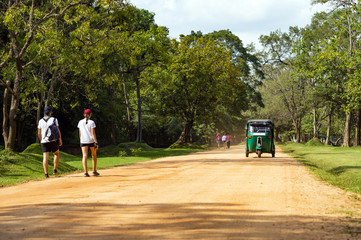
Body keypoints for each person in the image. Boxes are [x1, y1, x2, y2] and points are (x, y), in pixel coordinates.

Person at [37, 106, 62, 178]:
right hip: (53, 140)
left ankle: (46, 174)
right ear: (50, 112)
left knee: (45, 157)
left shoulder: (40, 121)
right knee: (56, 154)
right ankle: (55, 170)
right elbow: (58, 130)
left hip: (44, 141)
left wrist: (42, 139)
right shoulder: (54, 119)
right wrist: (60, 139)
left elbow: (39, 132)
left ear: (44, 113)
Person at [77, 109, 99, 177]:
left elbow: (80, 133)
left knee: (84, 156)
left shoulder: (80, 122)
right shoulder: (91, 122)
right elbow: (93, 133)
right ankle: (94, 170)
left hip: (83, 141)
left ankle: (86, 172)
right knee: (94, 155)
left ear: (84, 114)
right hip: (91, 141)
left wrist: (81, 139)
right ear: (90, 115)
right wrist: (96, 142)